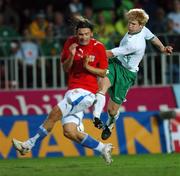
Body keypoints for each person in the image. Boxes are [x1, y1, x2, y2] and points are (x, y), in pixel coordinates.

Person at [12, 16, 113, 164]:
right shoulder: (70, 43)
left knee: (54, 113)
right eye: (80, 34)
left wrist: (87, 67)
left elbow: (104, 72)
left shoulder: (99, 47)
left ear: (91, 33)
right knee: (70, 132)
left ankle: (28, 145)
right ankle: (102, 148)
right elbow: (65, 68)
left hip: (86, 93)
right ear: (76, 34)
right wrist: (71, 56)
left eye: (86, 34)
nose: (83, 37)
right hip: (72, 90)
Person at [92, 8, 173, 140]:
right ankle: (96, 117)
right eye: (129, 22)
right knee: (102, 86)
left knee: (112, 110)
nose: (130, 25)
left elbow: (110, 53)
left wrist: (91, 51)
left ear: (141, 25)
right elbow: (153, 38)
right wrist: (163, 48)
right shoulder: (143, 30)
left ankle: (110, 123)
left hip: (127, 74)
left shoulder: (133, 44)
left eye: (133, 24)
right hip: (115, 63)